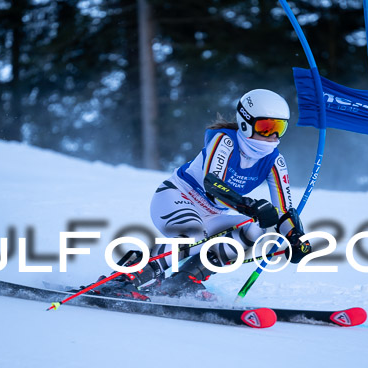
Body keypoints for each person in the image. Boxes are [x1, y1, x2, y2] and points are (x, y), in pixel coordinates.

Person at [99, 89, 311, 300]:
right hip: (177, 197)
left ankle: (183, 280)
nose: (273, 136)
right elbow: (213, 185)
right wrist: (249, 206)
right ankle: (125, 277)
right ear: (246, 123)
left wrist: (295, 237)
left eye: (279, 128)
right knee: (194, 235)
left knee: (256, 229)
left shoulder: (275, 160)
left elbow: (283, 211)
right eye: (266, 127)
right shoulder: (225, 141)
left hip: (211, 215)